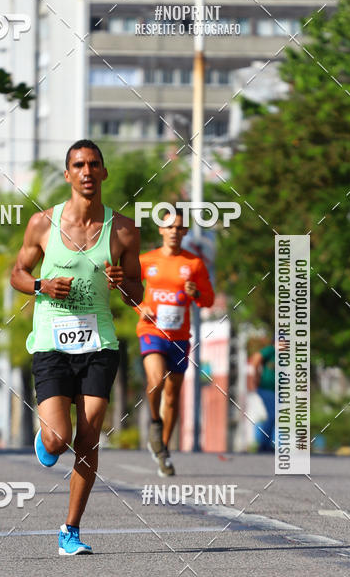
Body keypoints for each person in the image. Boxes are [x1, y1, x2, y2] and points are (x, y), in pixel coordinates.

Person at [11, 140, 143, 555]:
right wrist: (41, 286)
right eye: (78, 165)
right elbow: (17, 272)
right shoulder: (43, 225)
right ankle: (46, 439)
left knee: (88, 437)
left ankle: (70, 529)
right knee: (58, 439)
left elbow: (137, 292)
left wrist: (125, 284)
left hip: (99, 343)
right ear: (68, 175)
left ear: (103, 173)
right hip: (52, 342)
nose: (87, 172)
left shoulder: (123, 230)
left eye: (94, 165)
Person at [136, 208, 214, 476]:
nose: (173, 232)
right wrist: (140, 306)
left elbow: (208, 300)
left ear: (184, 232)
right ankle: (154, 424)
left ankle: (162, 449)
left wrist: (197, 292)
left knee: (172, 396)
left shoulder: (193, 264)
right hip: (152, 331)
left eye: (179, 227)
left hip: (179, 337)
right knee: (156, 380)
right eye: (169, 226)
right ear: (161, 230)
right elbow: (129, 287)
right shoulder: (147, 260)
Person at [250, 339, 277, 452]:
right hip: (266, 388)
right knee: (272, 415)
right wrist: (256, 376)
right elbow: (256, 358)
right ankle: (263, 444)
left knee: (274, 416)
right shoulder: (271, 350)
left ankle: (266, 444)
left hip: (276, 390)